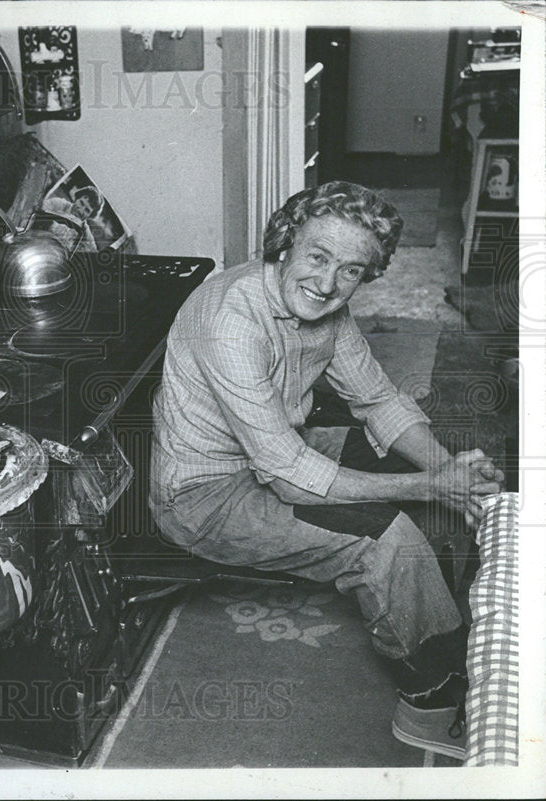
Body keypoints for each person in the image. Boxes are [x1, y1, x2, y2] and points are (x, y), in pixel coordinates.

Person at [149, 181, 504, 760]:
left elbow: (380, 401)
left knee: (419, 474)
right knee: (387, 539)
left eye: (351, 271)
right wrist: (427, 483)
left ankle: (450, 626)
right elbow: (288, 476)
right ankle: (431, 698)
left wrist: (448, 469)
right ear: (285, 244)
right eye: (318, 257)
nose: (328, 282)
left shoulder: (326, 309)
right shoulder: (231, 318)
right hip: (203, 497)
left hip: (275, 451)